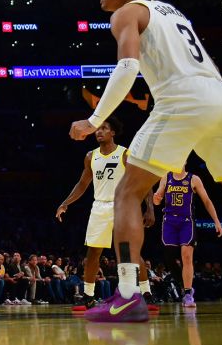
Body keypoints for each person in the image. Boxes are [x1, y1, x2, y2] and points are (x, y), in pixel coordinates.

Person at [69, 0, 222, 323]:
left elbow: (127, 67)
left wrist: (94, 118)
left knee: (126, 192)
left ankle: (127, 295)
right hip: (221, 99)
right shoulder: (170, 12)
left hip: (182, 100)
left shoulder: (127, 12)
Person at [56, 117, 156, 311]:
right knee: (93, 252)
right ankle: (88, 296)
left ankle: (147, 293)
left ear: (113, 133)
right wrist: (65, 203)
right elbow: (83, 184)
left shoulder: (125, 153)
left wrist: (150, 208)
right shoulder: (90, 156)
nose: (99, 132)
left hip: (123, 206)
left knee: (130, 252)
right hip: (99, 207)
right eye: (97, 129)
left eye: (104, 128)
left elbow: (143, 182)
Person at [153, 166, 222, 309]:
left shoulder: (194, 179)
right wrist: (156, 198)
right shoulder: (166, 177)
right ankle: (184, 284)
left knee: (186, 256)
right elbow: (157, 200)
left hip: (186, 222)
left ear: (185, 160)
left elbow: (207, 201)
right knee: (169, 258)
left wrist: (216, 220)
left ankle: (187, 294)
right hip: (169, 222)